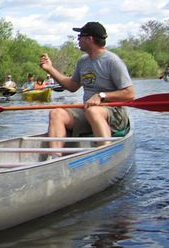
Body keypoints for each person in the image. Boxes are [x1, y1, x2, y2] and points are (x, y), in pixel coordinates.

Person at [39, 22, 134, 154]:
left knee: (94, 111)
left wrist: (101, 96)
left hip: (114, 113)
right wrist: (50, 69)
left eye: (80, 36)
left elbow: (129, 94)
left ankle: (106, 153)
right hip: (88, 110)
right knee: (56, 113)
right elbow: (72, 86)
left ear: (90, 39)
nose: (78, 39)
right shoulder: (83, 61)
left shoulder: (112, 61)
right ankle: (54, 157)